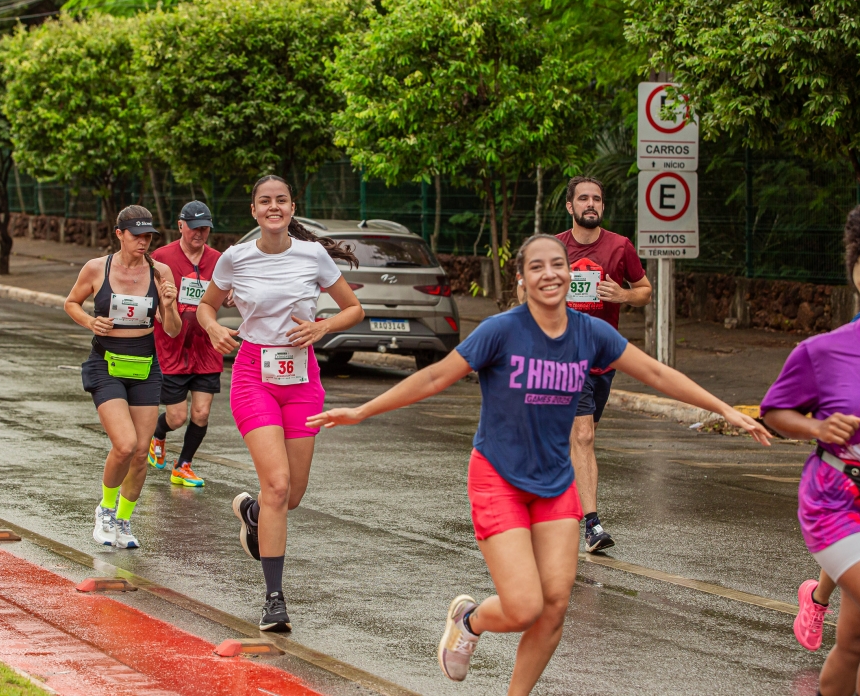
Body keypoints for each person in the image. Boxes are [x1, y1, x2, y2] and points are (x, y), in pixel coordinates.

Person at [308, 234, 768, 692]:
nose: (549, 274)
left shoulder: (590, 333)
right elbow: (434, 377)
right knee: (524, 606)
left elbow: (655, 372)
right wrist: (362, 410)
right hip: (498, 480)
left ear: (570, 273)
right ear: (521, 280)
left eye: (557, 264)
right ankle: (469, 621)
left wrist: (723, 409)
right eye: (537, 267)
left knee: (554, 608)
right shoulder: (501, 331)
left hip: (555, 485)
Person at [196, 175, 364, 632]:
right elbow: (206, 307)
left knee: (291, 494)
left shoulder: (312, 255)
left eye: (281, 201)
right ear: (254, 210)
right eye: (265, 201)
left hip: (302, 377)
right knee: (276, 484)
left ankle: (252, 514)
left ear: (291, 208)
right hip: (254, 374)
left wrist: (322, 327)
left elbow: (353, 309)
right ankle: (274, 599)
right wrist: (214, 328)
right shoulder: (235, 257)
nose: (274, 207)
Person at [762, 199, 860, 695]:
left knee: (856, 641)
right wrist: (818, 428)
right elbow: (774, 412)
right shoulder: (825, 352)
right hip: (840, 506)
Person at [65, 205, 180, 550]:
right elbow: (71, 303)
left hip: (144, 367)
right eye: (136, 235)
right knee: (125, 444)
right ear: (119, 234)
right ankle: (105, 509)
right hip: (106, 364)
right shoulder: (96, 268)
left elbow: (172, 330)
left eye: (148, 236)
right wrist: (91, 321)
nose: (143, 242)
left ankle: (123, 520)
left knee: (141, 452)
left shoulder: (160, 272)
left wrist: (169, 305)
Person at [556, 176, 652, 553]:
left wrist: (623, 295)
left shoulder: (619, 246)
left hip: (602, 358)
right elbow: (526, 289)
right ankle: (592, 525)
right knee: (582, 436)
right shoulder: (555, 248)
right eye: (583, 199)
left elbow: (644, 291)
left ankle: (553, 499)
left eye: (596, 199)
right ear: (570, 206)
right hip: (565, 356)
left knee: (580, 438)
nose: (591, 204)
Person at [148, 200, 225, 487]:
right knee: (177, 417)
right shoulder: (161, 257)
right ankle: (158, 434)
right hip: (172, 349)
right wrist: (156, 310)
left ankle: (183, 465)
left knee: (201, 413)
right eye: (194, 227)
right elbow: (146, 291)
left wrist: (230, 298)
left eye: (205, 228)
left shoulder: (218, 260)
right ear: (181, 226)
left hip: (206, 348)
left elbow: (227, 294)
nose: (199, 233)